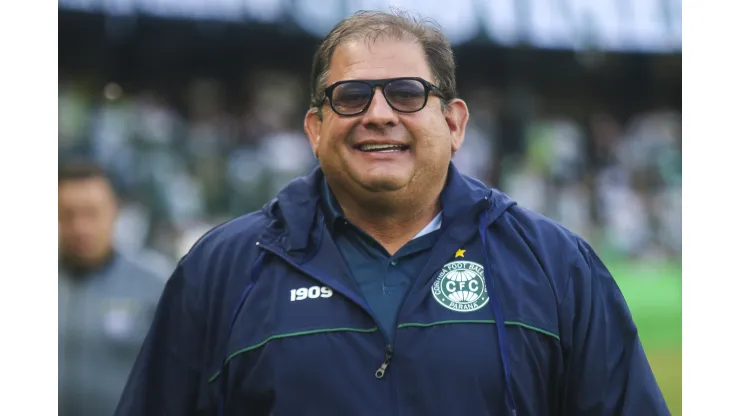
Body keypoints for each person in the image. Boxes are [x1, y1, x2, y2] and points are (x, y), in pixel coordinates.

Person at [115, 10, 670, 416]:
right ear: (314, 129)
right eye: (351, 96)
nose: (378, 114)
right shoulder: (221, 269)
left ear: (454, 124)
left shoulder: (556, 264)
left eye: (406, 93)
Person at [58, 161, 166, 416]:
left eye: (91, 213)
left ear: (114, 212)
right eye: (68, 214)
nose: (80, 227)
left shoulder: (154, 284)